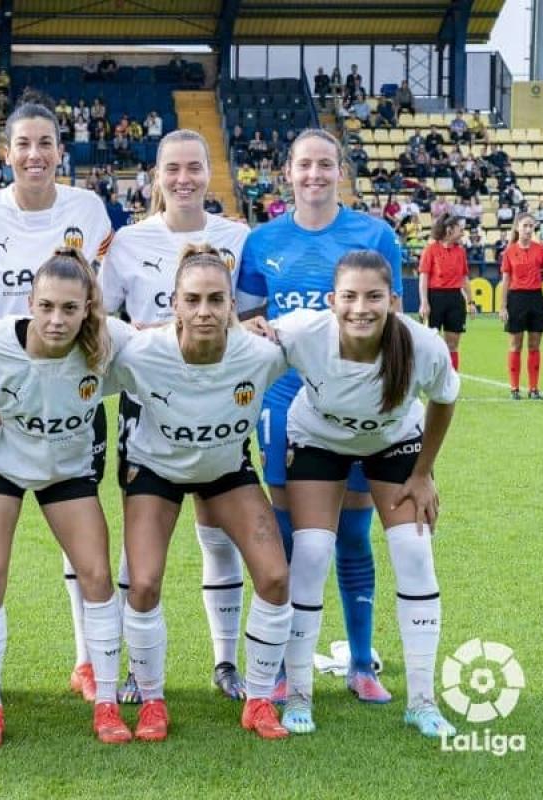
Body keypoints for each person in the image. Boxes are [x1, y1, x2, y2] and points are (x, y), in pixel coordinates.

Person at [245, 250, 460, 739]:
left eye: (373, 297)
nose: (360, 308)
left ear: (393, 301)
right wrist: (252, 331)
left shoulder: (422, 345)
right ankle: (298, 694)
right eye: (349, 296)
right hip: (317, 439)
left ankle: (423, 701)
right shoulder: (304, 331)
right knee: (314, 551)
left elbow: (445, 399)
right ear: (331, 301)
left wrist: (423, 473)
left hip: (393, 442)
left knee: (413, 551)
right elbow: (252, 350)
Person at [237, 129, 403, 705]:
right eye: (304, 164)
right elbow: (249, 326)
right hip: (284, 407)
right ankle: (286, 666)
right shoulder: (261, 242)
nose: (314, 174)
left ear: (340, 171)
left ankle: (361, 662)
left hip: (356, 407)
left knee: (354, 534)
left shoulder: (375, 235)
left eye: (325, 165)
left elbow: (394, 324)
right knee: (289, 539)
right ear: (287, 171)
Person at [0, 93, 114, 704]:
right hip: (2, 402)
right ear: (6, 153)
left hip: (72, 400)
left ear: (60, 150)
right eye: (22, 144)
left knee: (83, 550)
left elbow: (101, 297)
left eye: (44, 143)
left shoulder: (89, 209)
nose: (34, 154)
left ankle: (85, 661)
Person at [109, 244, 292, 741]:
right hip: (155, 470)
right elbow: (72, 370)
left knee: (276, 577)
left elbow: (326, 342)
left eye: (217, 299)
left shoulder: (262, 353)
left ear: (233, 304)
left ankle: (258, 700)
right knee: (143, 584)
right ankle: (151, 701)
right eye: (194, 300)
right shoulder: (141, 353)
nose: (205, 311)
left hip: (225, 468)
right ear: (175, 303)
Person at [99, 129, 254, 704]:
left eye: (194, 167)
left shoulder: (238, 237)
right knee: (139, 552)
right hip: (149, 412)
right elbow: (102, 319)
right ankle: (134, 671)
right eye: (173, 168)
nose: (184, 178)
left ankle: (225, 660)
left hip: (220, 413)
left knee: (218, 538)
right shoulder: (127, 242)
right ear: (156, 175)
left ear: (209, 171)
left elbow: (254, 322)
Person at [0, 248, 134, 747]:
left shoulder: (110, 341)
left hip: (66, 468)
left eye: (70, 309)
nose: (57, 320)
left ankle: (105, 703)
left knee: (97, 575)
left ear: (88, 309)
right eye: (47, 307)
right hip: (0, 464)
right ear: (30, 302)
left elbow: (167, 351)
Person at [499, 213, 543, 399]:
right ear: (517, 228)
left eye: (531, 226)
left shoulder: (540, 250)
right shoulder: (509, 251)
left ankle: (533, 388)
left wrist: (535, 280)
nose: (529, 230)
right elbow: (505, 280)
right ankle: (514, 388)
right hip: (516, 299)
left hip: (536, 298)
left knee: (534, 345)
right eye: (525, 226)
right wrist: (503, 306)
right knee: (515, 345)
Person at [418, 214, 475, 370]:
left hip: (455, 299)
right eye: (460, 229)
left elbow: (464, 278)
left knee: (453, 344)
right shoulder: (431, 250)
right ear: (449, 230)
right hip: (435, 297)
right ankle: (430, 380)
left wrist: (470, 301)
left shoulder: (460, 252)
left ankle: (451, 383)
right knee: (430, 343)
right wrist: (424, 302)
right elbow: (424, 276)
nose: (463, 233)